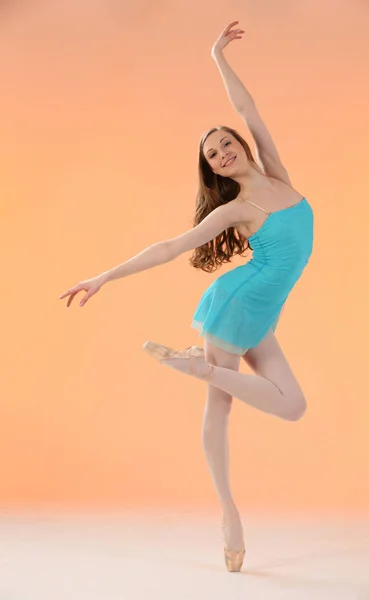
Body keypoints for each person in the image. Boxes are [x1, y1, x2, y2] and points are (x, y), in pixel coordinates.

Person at [59, 21, 314, 572]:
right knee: (218, 413)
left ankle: (196, 368)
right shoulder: (238, 209)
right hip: (235, 308)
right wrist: (102, 276)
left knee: (293, 407)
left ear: (240, 147)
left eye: (224, 144)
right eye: (212, 154)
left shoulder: (279, 175)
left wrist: (217, 56)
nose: (221, 153)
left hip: (262, 312)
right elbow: (171, 246)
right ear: (211, 170)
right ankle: (229, 516)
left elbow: (249, 110)